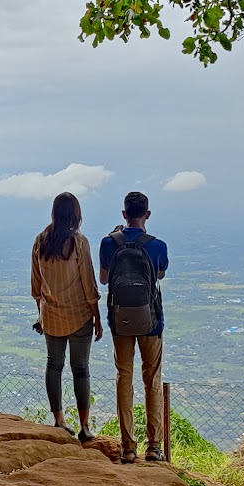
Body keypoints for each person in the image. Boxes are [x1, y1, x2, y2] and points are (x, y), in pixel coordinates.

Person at [99, 191, 169, 464]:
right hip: (151, 320)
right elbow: (160, 274)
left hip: (120, 320)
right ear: (147, 214)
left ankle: (128, 446)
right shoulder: (157, 245)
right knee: (151, 380)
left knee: (123, 378)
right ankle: (154, 447)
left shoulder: (108, 243)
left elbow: (104, 280)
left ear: (124, 214)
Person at [31, 192, 103, 442]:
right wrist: (97, 318)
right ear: (76, 214)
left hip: (51, 316)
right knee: (81, 369)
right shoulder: (79, 243)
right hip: (80, 315)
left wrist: (41, 315)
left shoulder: (40, 241)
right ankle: (84, 426)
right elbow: (89, 285)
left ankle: (59, 420)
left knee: (54, 365)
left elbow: (35, 286)